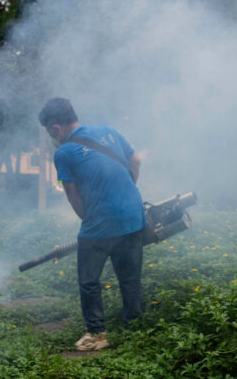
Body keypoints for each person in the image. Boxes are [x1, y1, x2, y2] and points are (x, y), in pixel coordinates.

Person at [38, 97, 146, 351]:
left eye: (48, 131)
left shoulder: (63, 152)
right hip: (134, 215)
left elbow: (71, 193)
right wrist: (125, 193)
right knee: (129, 277)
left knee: (89, 280)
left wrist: (87, 218)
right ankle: (136, 328)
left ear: (55, 128)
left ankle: (97, 335)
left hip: (100, 224)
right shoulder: (108, 131)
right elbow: (136, 160)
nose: (50, 136)